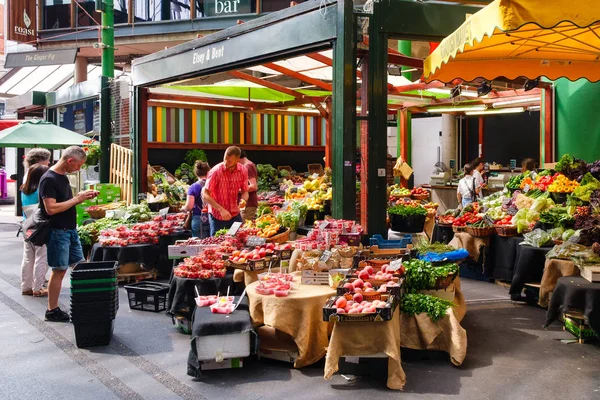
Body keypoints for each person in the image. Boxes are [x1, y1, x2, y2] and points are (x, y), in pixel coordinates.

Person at [39, 146, 99, 322]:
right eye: (78, 165)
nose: (79, 169)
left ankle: (84, 303)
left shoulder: (62, 177)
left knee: (79, 266)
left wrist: (81, 196)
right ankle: (52, 310)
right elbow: (50, 209)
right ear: (70, 160)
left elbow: (64, 202)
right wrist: (77, 199)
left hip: (70, 230)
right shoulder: (49, 179)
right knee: (59, 270)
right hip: (58, 231)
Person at [202, 146, 249, 236]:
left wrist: (243, 200)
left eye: (229, 161)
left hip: (234, 214)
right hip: (217, 216)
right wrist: (221, 210)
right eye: (225, 159)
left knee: (240, 240)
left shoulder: (243, 170)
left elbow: (245, 191)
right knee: (217, 244)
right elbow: (205, 194)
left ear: (237, 160)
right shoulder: (215, 171)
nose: (226, 163)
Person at [20, 163, 50, 297]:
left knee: (28, 258)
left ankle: (26, 287)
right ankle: (38, 288)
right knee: (41, 257)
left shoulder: (24, 189)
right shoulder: (41, 191)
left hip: (27, 225)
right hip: (40, 226)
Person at [182, 160, 211, 238]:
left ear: (196, 173)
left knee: (198, 246)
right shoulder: (213, 185)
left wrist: (183, 208)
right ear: (208, 172)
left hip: (198, 218)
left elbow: (189, 206)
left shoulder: (193, 187)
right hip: (213, 218)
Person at [239, 149, 258, 221]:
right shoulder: (248, 165)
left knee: (242, 226)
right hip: (246, 204)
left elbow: (253, 186)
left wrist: (237, 191)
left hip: (248, 204)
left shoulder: (248, 167)